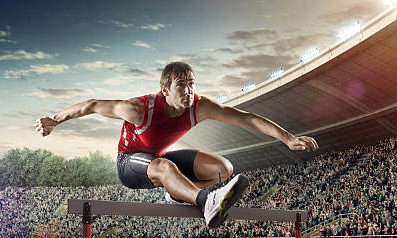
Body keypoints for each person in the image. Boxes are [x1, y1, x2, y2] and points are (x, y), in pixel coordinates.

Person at [35, 62, 318, 228]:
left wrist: (287, 138)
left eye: (192, 84)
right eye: (181, 85)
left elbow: (245, 119)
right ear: (165, 90)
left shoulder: (199, 106)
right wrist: (55, 120)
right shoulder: (138, 109)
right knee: (163, 165)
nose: (189, 91)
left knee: (223, 168)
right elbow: (93, 105)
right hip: (130, 163)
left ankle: (178, 194)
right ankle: (208, 202)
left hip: (159, 161)